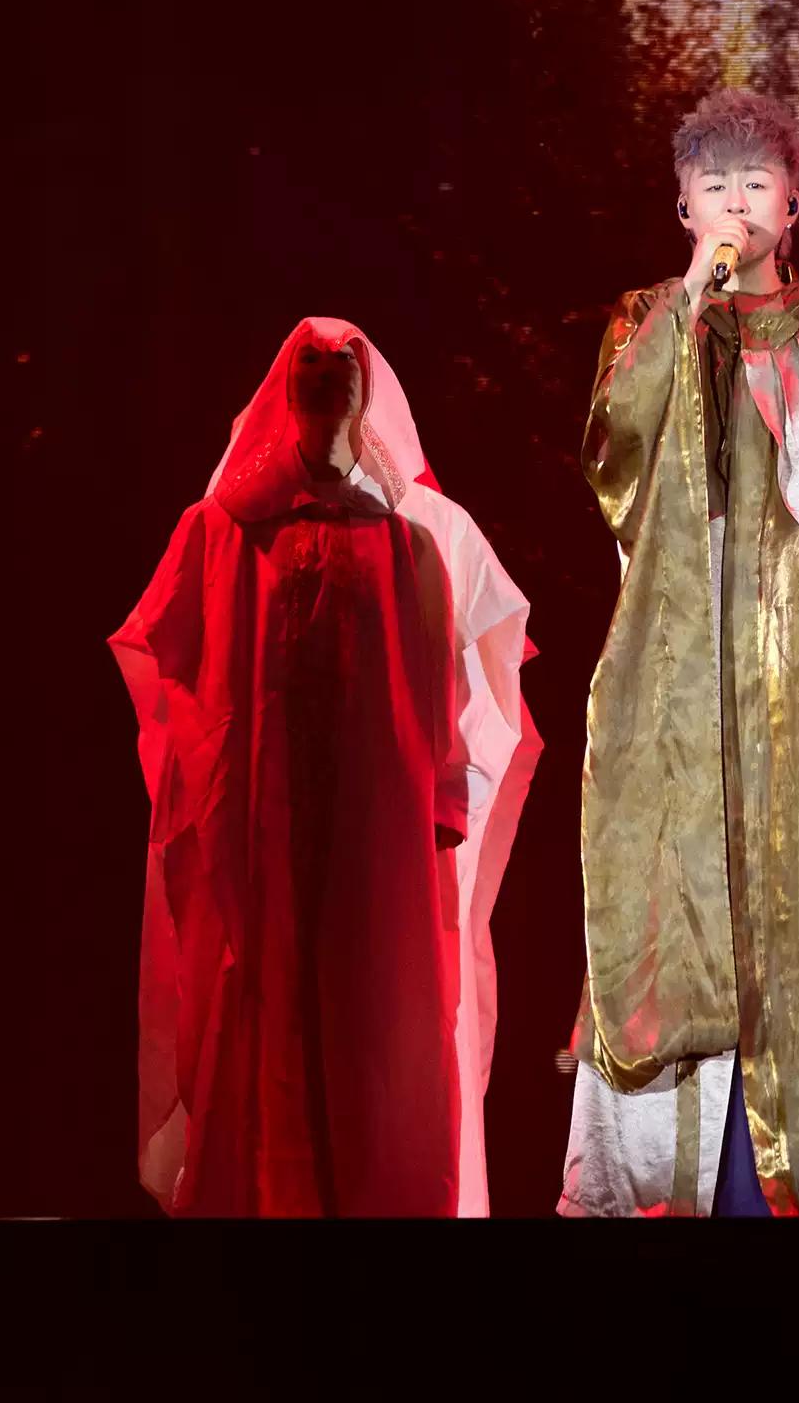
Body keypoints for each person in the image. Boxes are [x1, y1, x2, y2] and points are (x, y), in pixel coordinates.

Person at [562, 87, 799, 1216]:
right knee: (681, 916)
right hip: (680, 686)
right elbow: (616, 451)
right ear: (682, 206)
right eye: (712, 185)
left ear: (795, 202)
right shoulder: (646, 323)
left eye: (755, 183)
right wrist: (691, 298)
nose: (735, 202)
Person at [110, 317, 537, 1216]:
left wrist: (436, 816)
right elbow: (168, 664)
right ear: (284, 386)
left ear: (367, 391)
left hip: (374, 850)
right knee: (261, 1016)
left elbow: (444, 706)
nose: (328, 371)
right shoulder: (225, 533)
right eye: (309, 360)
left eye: (346, 361)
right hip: (258, 837)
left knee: (371, 1027)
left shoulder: (410, 546)